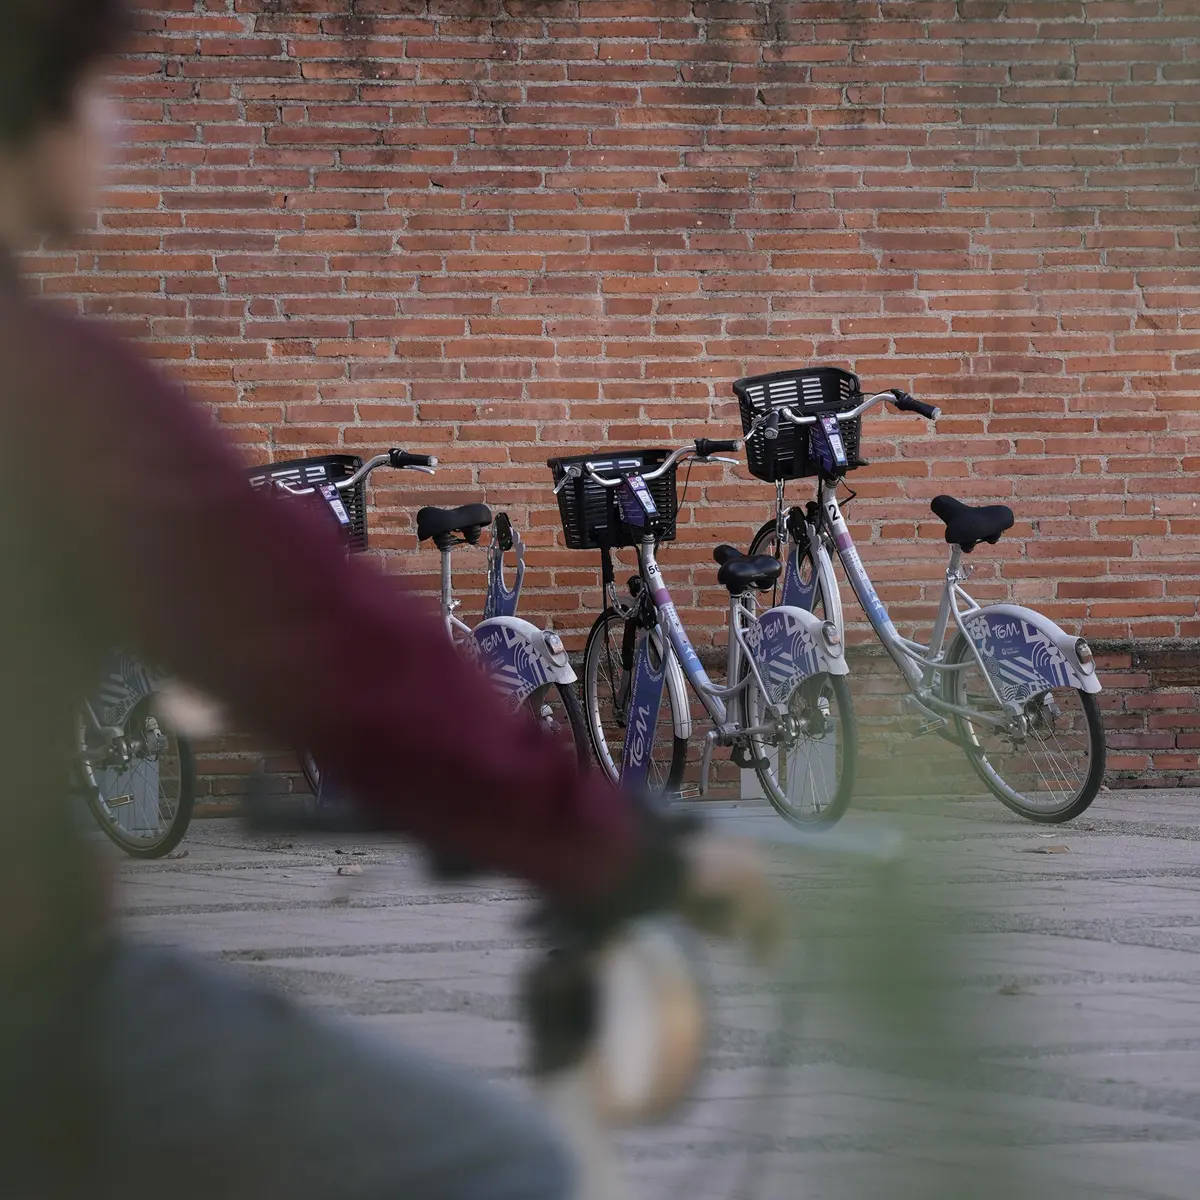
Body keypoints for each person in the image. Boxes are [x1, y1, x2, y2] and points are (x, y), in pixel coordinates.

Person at [0, 2, 777, 1197]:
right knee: (502, 1165)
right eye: (98, 90)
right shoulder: (49, 394)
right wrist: (615, 849)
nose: (116, 125)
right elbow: (333, 649)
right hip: (32, 1016)